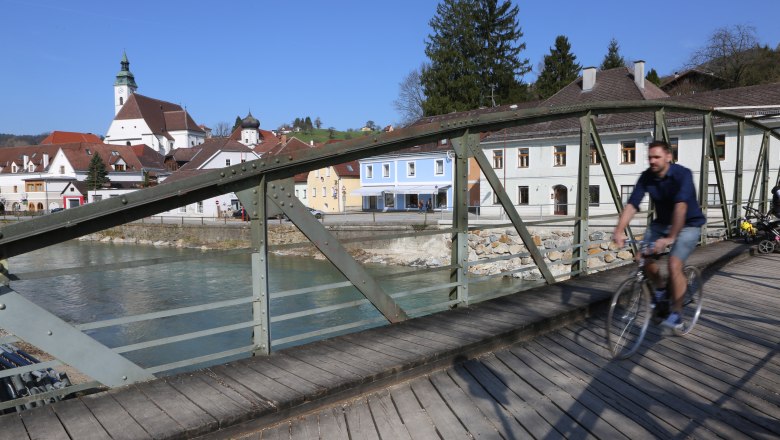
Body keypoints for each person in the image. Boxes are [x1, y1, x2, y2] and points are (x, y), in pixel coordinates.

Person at [613, 140, 706, 332]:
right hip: (661, 224)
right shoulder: (647, 177)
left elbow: (681, 207)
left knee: (674, 264)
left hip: (688, 224)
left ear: (668, 157)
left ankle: (677, 314)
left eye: (656, 157)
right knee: (642, 258)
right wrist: (619, 230)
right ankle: (662, 287)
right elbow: (632, 204)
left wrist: (670, 238)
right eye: (649, 157)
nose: (652, 161)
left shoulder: (682, 174)